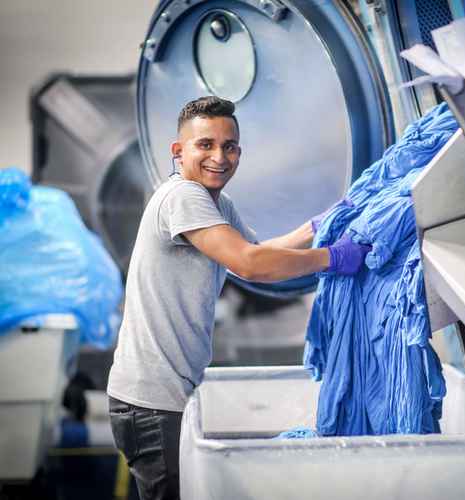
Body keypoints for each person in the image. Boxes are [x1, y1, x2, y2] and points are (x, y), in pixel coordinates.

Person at [106, 96, 370, 499]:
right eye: (205, 145)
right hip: (152, 403)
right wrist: (333, 258)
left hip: (161, 397)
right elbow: (251, 265)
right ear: (178, 152)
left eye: (229, 146)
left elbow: (262, 250)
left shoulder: (217, 203)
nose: (219, 157)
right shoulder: (183, 197)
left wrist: (321, 225)